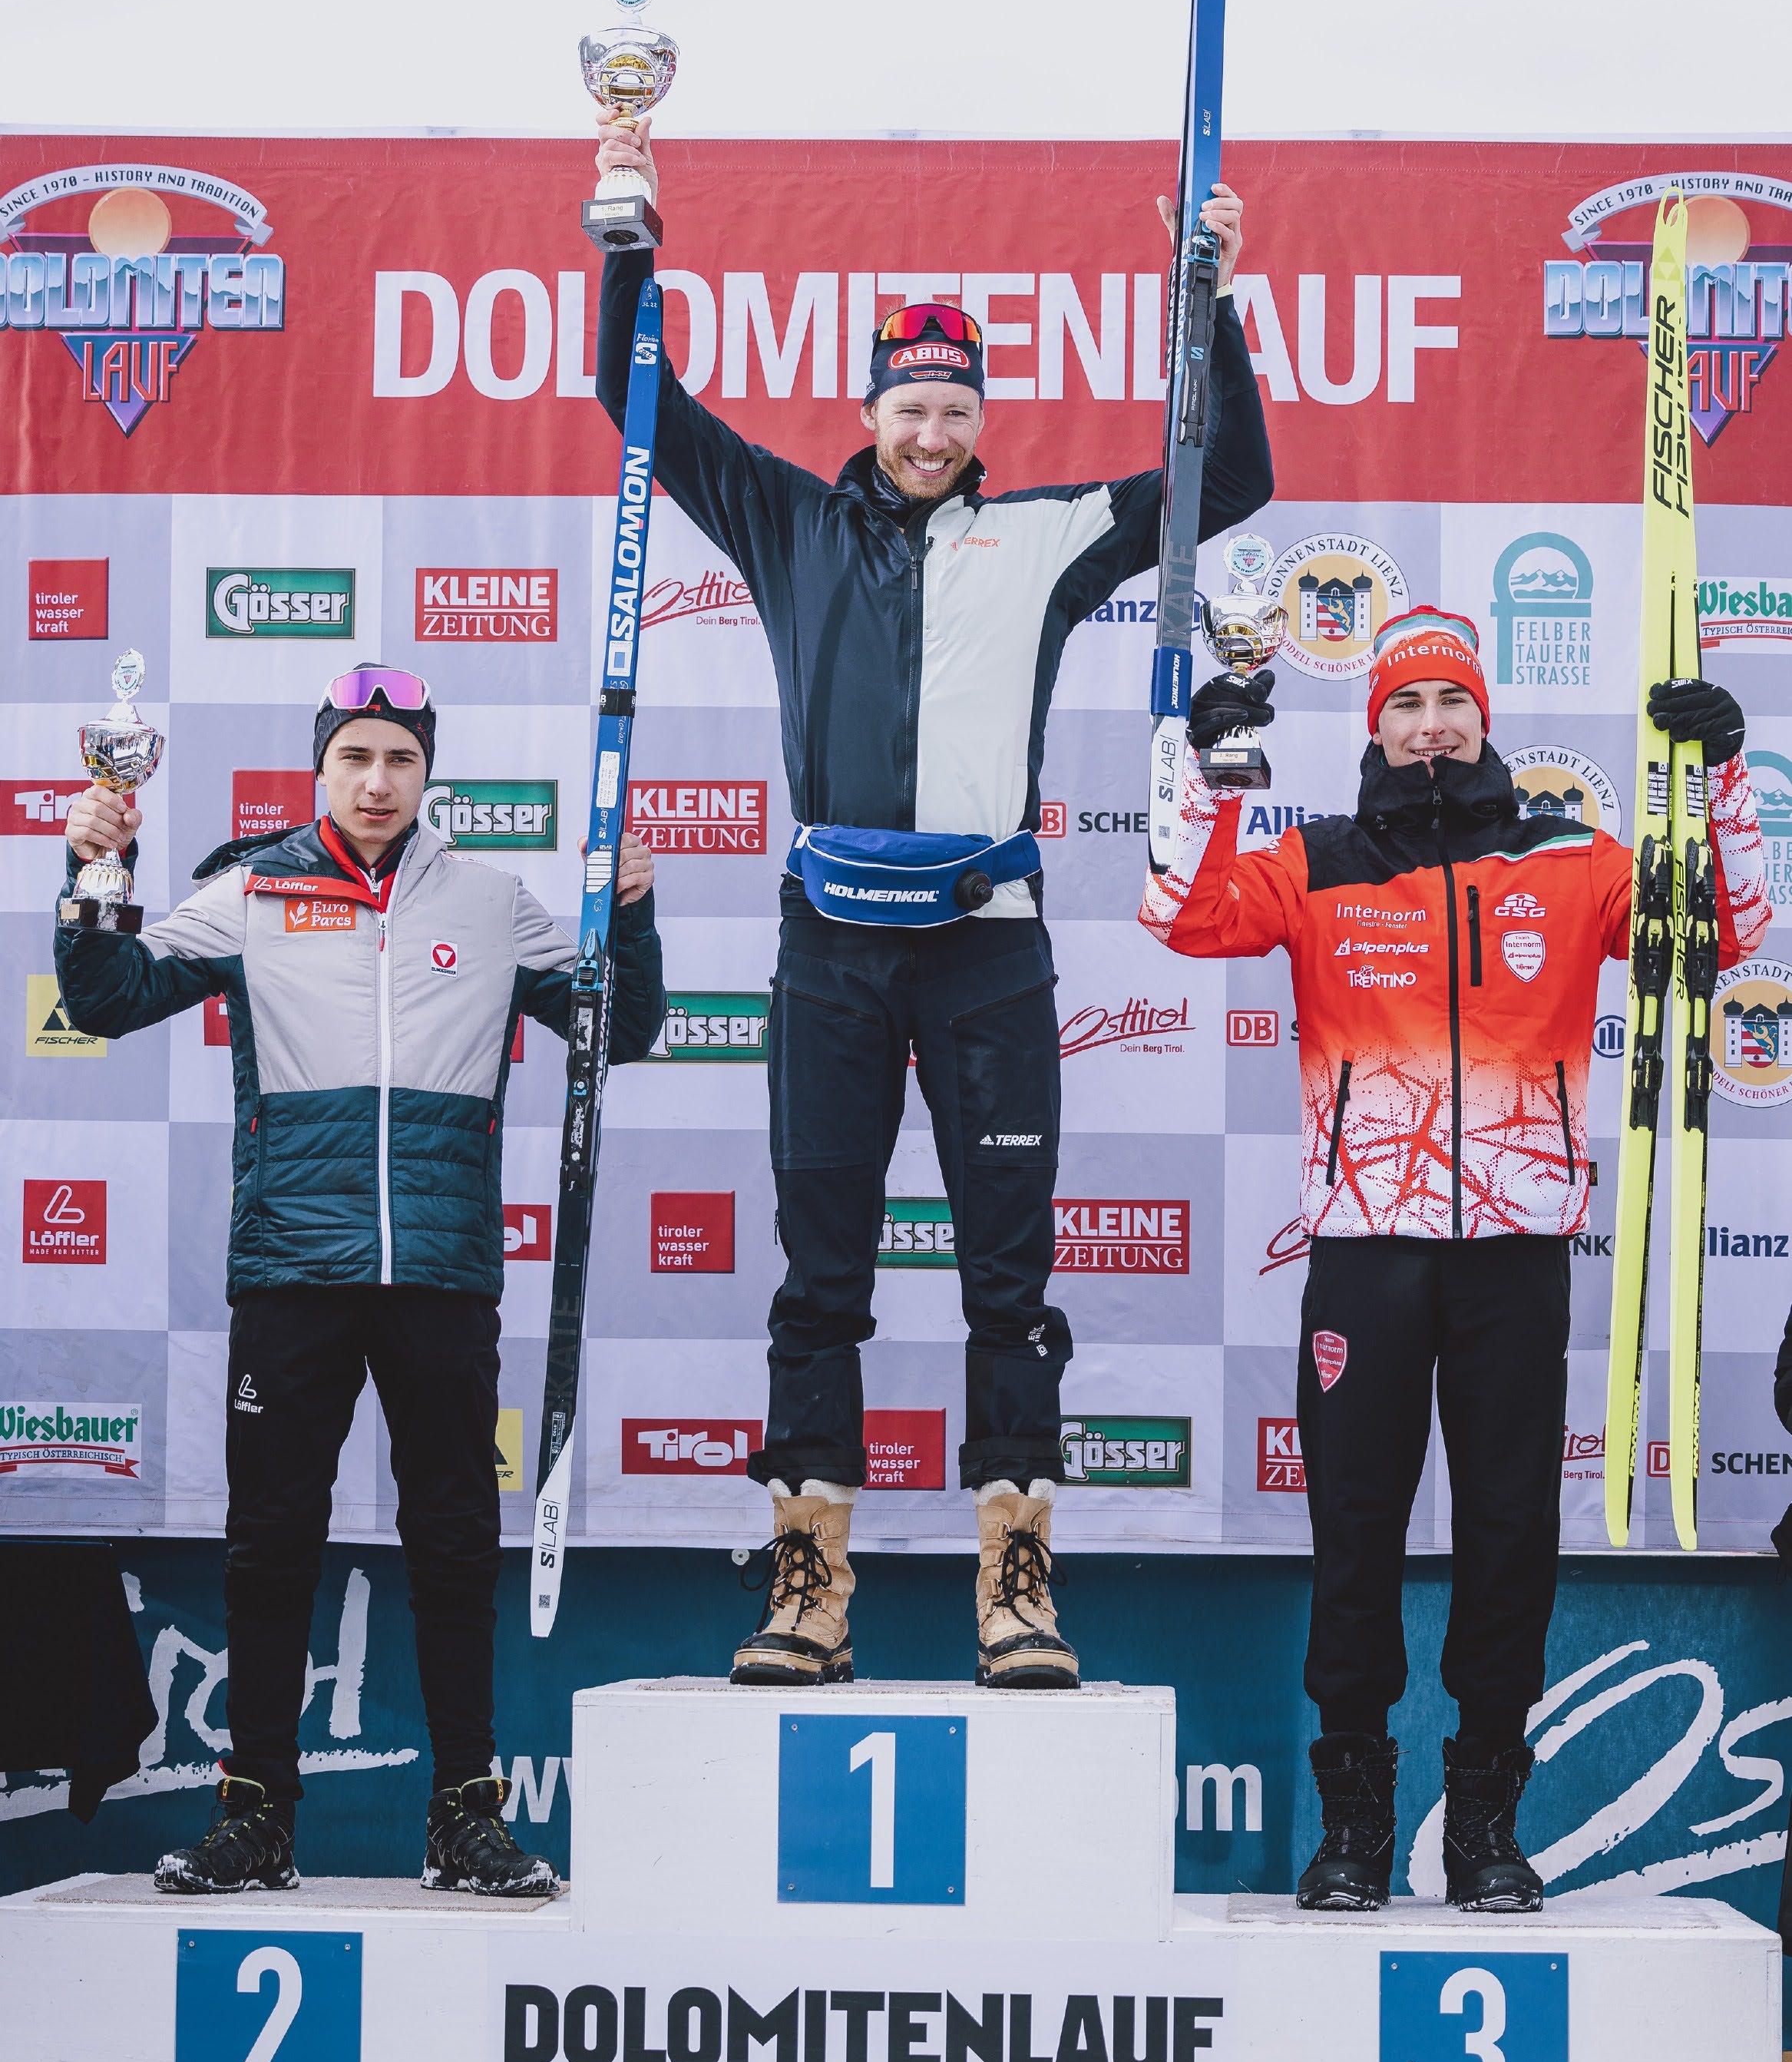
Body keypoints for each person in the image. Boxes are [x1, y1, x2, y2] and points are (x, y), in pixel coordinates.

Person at [593, 115, 1273, 1689]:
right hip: (832, 945)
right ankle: (809, 1588)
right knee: (820, 1276)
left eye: (955, 409)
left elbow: (1230, 476)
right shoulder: (785, 518)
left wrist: (1212, 298)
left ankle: (1015, 1585)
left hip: (985, 949)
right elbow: (635, 399)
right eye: (909, 406)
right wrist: (628, 240)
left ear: (982, 422)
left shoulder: (1045, 535)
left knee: (1008, 1284)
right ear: (869, 410)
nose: (930, 431)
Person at [1141, 607, 1769, 1908]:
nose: (1429, 728)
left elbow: (1724, 927)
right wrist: (1203, 774)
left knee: (1505, 1533)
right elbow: (1181, 918)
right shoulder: (1315, 860)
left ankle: (1485, 1825)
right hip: (1363, 1255)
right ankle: (1353, 1830)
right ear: (1374, 725)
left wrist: (1719, 780)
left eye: (1450, 705)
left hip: (1512, 1257)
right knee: (1354, 1531)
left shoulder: (1569, 858)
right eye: (1404, 706)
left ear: (1483, 720)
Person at [55, 667, 666, 1895]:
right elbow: (104, 999)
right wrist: (94, 871)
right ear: (320, 767)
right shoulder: (255, 888)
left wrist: (633, 919)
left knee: (454, 1542)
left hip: (442, 1273)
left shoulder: (491, 901)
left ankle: (465, 1820)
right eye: (354, 758)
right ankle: (255, 1820)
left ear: (427, 771)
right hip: (292, 1267)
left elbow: (623, 1032)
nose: (377, 782)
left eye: (399, 759)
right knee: (270, 1544)